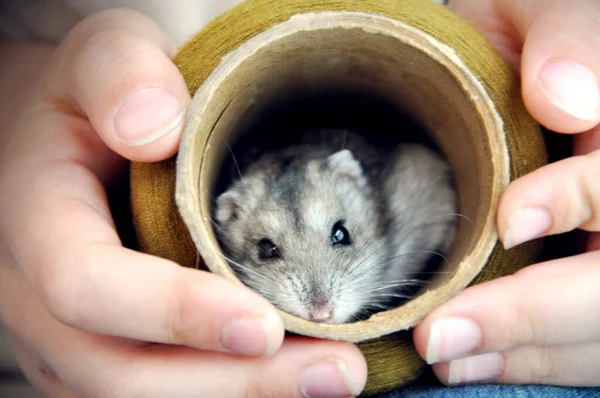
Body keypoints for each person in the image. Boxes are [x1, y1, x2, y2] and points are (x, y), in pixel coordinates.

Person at [0, 0, 599, 397]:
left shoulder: (408, 183)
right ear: (225, 223)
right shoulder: (231, 210)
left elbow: (427, 171)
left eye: (340, 236)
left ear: (358, 187)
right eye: (266, 250)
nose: (319, 301)